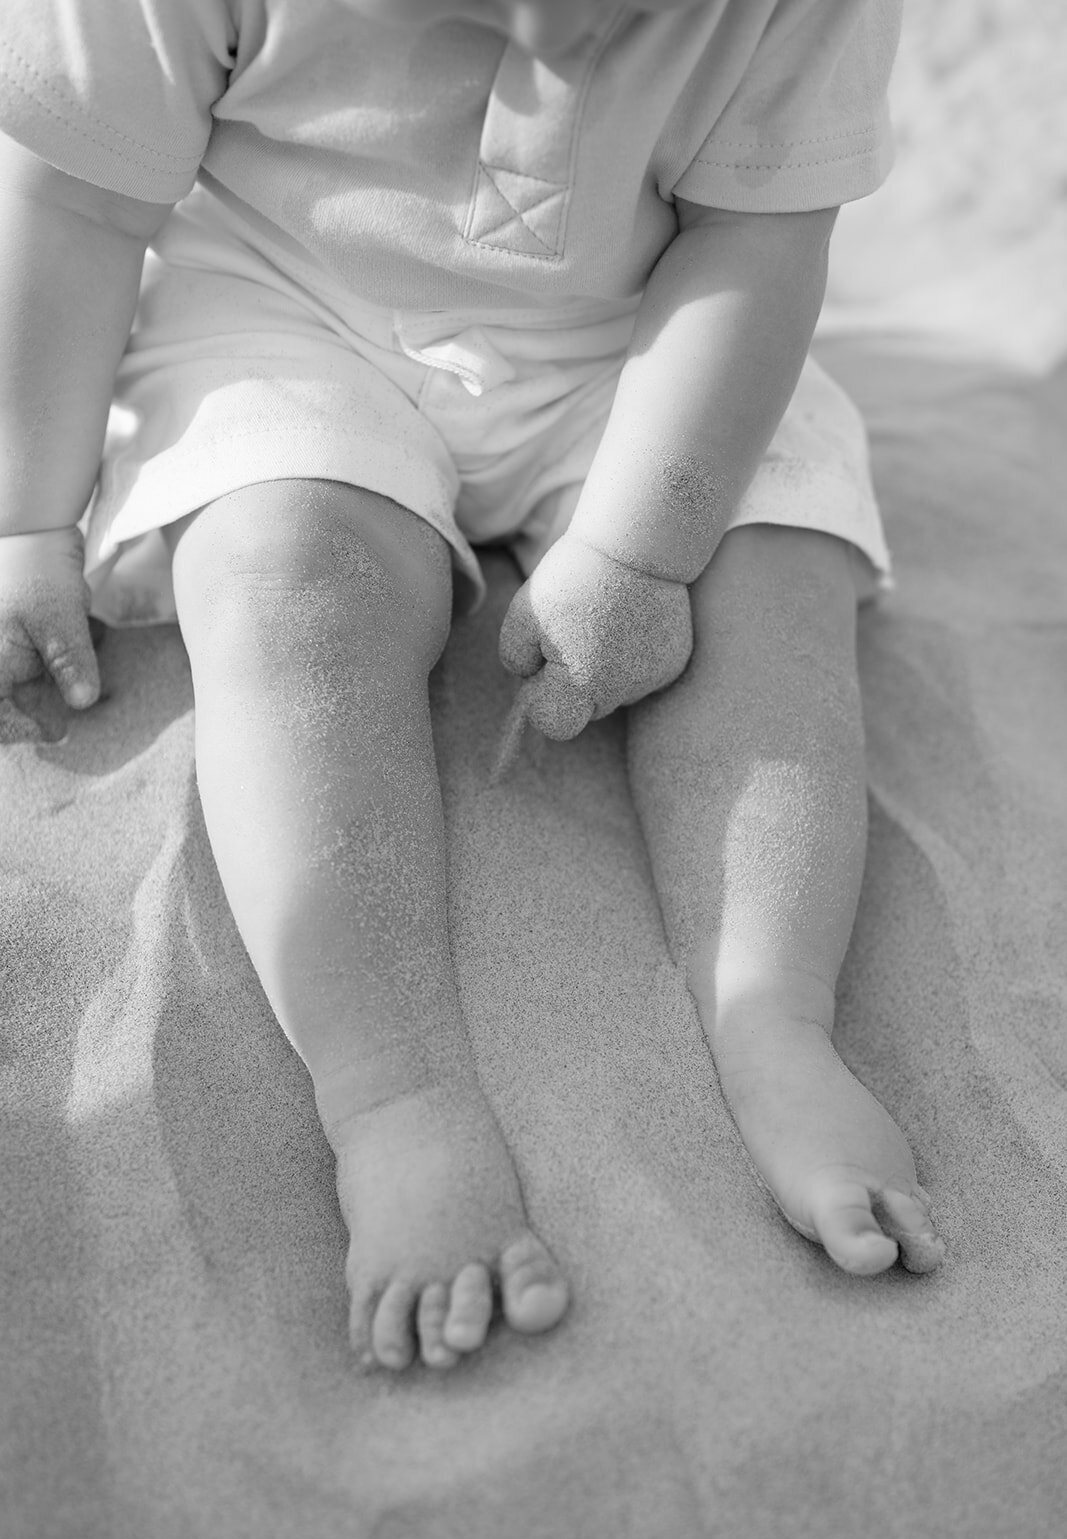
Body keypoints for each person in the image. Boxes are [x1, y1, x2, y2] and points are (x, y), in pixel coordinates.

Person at [0, 0, 945, 1373]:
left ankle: (775, 1015)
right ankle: (393, 1094)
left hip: (659, 333)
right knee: (286, 581)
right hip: (294, 305)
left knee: (769, 583)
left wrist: (639, 550)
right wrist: (28, 520)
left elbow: (758, 236)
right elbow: (75, 201)